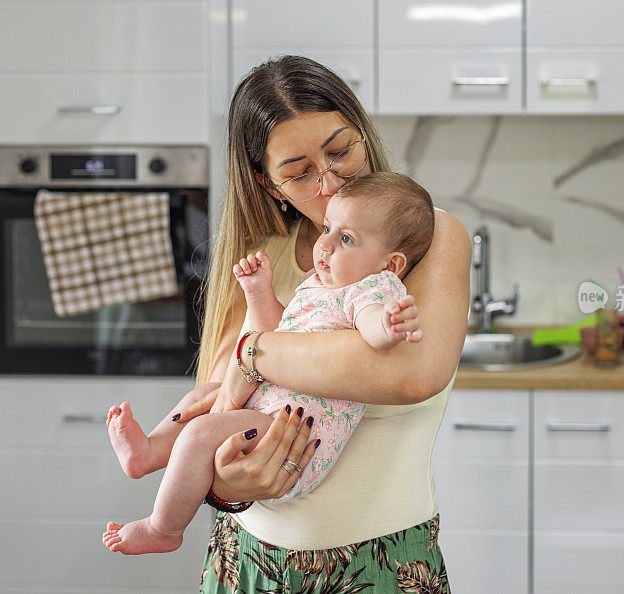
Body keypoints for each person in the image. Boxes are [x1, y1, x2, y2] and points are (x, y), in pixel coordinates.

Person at [177, 55, 469, 593]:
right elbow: (214, 411)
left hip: (383, 567)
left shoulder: (431, 240)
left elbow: (409, 373)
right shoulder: (261, 259)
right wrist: (225, 483)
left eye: (340, 152)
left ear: (363, 134)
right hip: (245, 561)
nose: (330, 182)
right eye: (299, 172)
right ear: (269, 185)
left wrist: (254, 352)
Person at [101, 172, 433, 556]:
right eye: (328, 229)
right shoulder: (319, 283)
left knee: (198, 435)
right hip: (273, 408)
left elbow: (371, 324)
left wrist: (389, 323)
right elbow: (278, 335)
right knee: (210, 390)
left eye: (345, 239)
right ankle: (149, 451)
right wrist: (259, 292)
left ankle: (164, 528)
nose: (324, 244)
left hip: (292, 434)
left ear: (390, 264)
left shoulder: (371, 288)